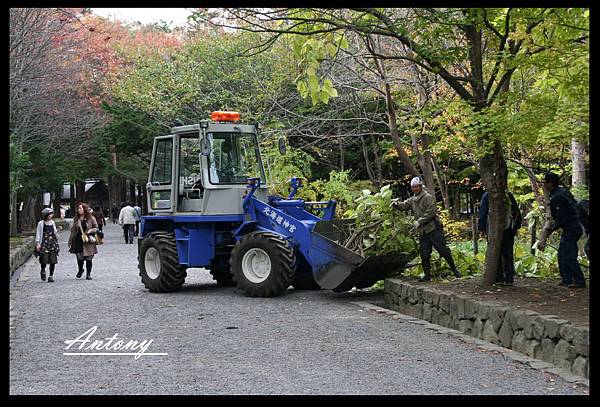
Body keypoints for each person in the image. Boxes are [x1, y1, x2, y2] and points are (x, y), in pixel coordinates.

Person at [392, 176, 461, 281]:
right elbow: (404, 205)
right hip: (423, 231)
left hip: (433, 228)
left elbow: (431, 212)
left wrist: (419, 221)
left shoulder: (427, 197)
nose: (415, 189)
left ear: (420, 186)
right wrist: (396, 205)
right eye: (413, 187)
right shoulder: (414, 199)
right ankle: (427, 275)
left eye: (416, 187)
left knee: (443, 250)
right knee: (424, 254)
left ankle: (455, 270)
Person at [538, 172, 586, 288]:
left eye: (545, 183)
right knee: (563, 253)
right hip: (572, 227)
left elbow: (562, 218)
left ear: (551, 183)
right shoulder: (561, 192)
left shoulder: (557, 197)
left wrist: (550, 231)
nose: (543, 186)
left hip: (571, 228)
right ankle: (566, 279)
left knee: (568, 255)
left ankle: (579, 281)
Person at [478, 190, 523, 286]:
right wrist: (516, 227)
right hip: (508, 229)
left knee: (495, 253)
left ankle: (499, 278)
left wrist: (481, 228)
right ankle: (509, 278)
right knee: (508, 253)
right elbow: (517, 213)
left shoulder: (488, 195)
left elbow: (483, 212)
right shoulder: (508, 195)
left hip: (493, 229)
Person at [68, 203, 99, 280]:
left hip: (88, 240)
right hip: (78, 240)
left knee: (89, 258)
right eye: (78, 208)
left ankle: (88, 274)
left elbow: (96, 228)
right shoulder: (76, 219)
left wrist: (91, 230)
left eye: (81, 208)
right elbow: (72, 231)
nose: (79, 210)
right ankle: (80, 269)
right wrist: (70, 241)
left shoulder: (91, 218)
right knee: (79, 257)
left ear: (84, 209)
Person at [35, 207, 61, 282]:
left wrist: (58, 231)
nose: (51, 215)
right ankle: (43, 270)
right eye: (50, 214)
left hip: (52, 243)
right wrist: (38, 244)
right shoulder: (40, 223)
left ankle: (51, 276)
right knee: (44, 259)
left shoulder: (52, 222)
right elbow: (38, 234)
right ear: (46, 215)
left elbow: (54, 232)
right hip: (44, 243)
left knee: (53, 260)